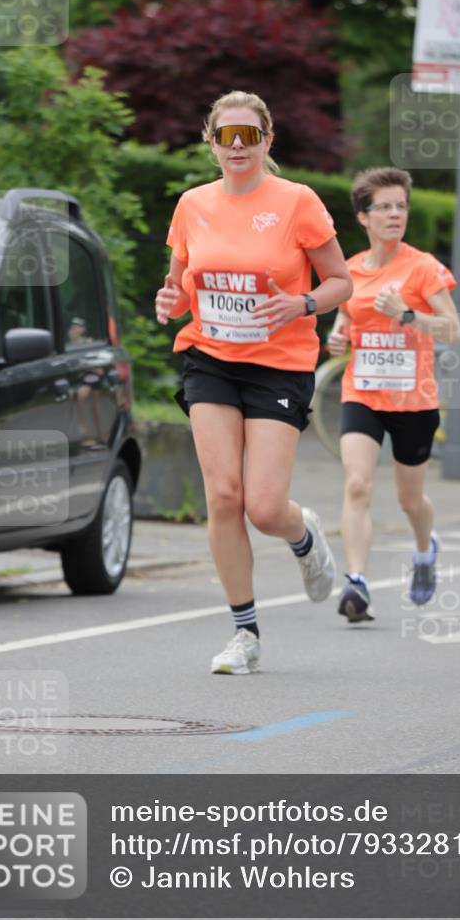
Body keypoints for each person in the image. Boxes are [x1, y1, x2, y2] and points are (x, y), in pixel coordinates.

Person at [154, 90, 352, 674]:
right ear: (210, 140)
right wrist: (171, 299)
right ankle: (245, 634)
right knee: (224, 497)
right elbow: (180, 283)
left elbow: (340, 280)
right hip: (210, 357)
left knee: (264, 507)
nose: (236, 147)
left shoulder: (297, 202)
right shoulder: (192, 204)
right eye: (225, 136)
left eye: (248, 136)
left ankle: (304, 535)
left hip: (279, 364)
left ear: (268, 140)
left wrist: (303, 303)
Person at [327, 167, 460, 622]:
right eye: (383, 207)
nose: (394, 214)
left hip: (413, 400)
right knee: (357, 483)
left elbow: (454, 330)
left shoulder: (423, 268)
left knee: (409, 501)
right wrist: (338, 336)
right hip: (362, 392)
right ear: (363, 217)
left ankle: (425, 548)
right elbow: (345, 318)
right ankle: (357, 582)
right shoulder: (348, 269)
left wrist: (407, 316)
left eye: (400, 206)